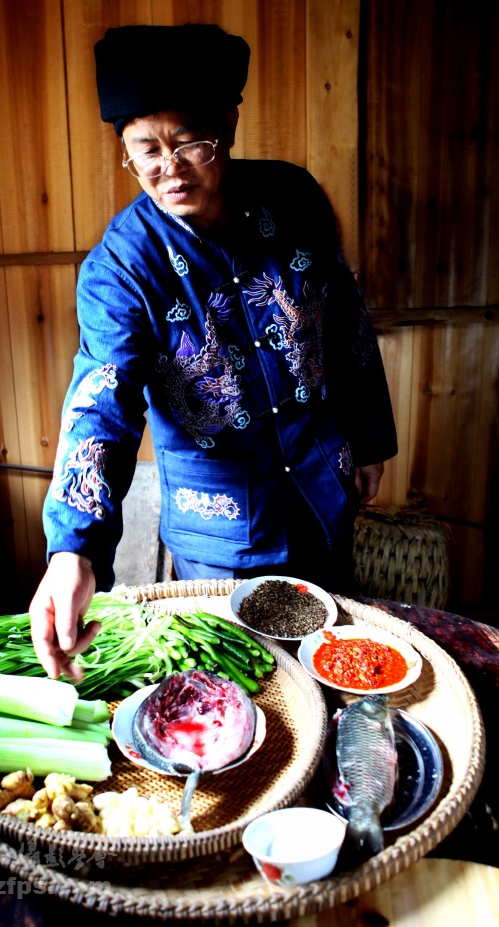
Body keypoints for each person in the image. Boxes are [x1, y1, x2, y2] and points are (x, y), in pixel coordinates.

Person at [29, 23, 397, 681]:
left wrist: (369, 435)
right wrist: (73, 550)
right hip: (224, 526)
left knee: (332, 659)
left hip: (321, 487)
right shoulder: (121, 268)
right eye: (145, 148)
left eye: (190, 143)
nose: (168, 168)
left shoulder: (294, 196)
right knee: (246, 684)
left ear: (228, 123)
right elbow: (102, 403)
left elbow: (344, 313)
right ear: (125, 145)